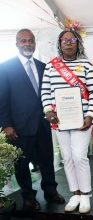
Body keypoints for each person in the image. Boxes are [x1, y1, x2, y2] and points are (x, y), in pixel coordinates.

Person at [0, 29, 65, 211]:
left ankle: (51, 191)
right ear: (17, 44)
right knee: (21, 165)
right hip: (18, 128)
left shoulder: (43, 66)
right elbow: (1, 99)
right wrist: (6, 125)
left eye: (30, 41)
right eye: (23, 41)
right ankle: (28, 196)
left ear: (35, 43)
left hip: (43, 124)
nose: (27, 44)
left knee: (47, 160)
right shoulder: (5, 67)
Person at [41, 29, 93, 214]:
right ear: (59, 44)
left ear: (78, 43)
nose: (68, 43)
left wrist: (90, 115)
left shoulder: (87, 65)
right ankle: (75, 194)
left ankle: (85, 195)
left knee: (79, 157)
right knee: (67, 158)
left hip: (81, 119)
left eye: (72, 40)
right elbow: (45, 92)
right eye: (64, 40)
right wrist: (48, 111)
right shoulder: (51, 66)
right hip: (60, 121)